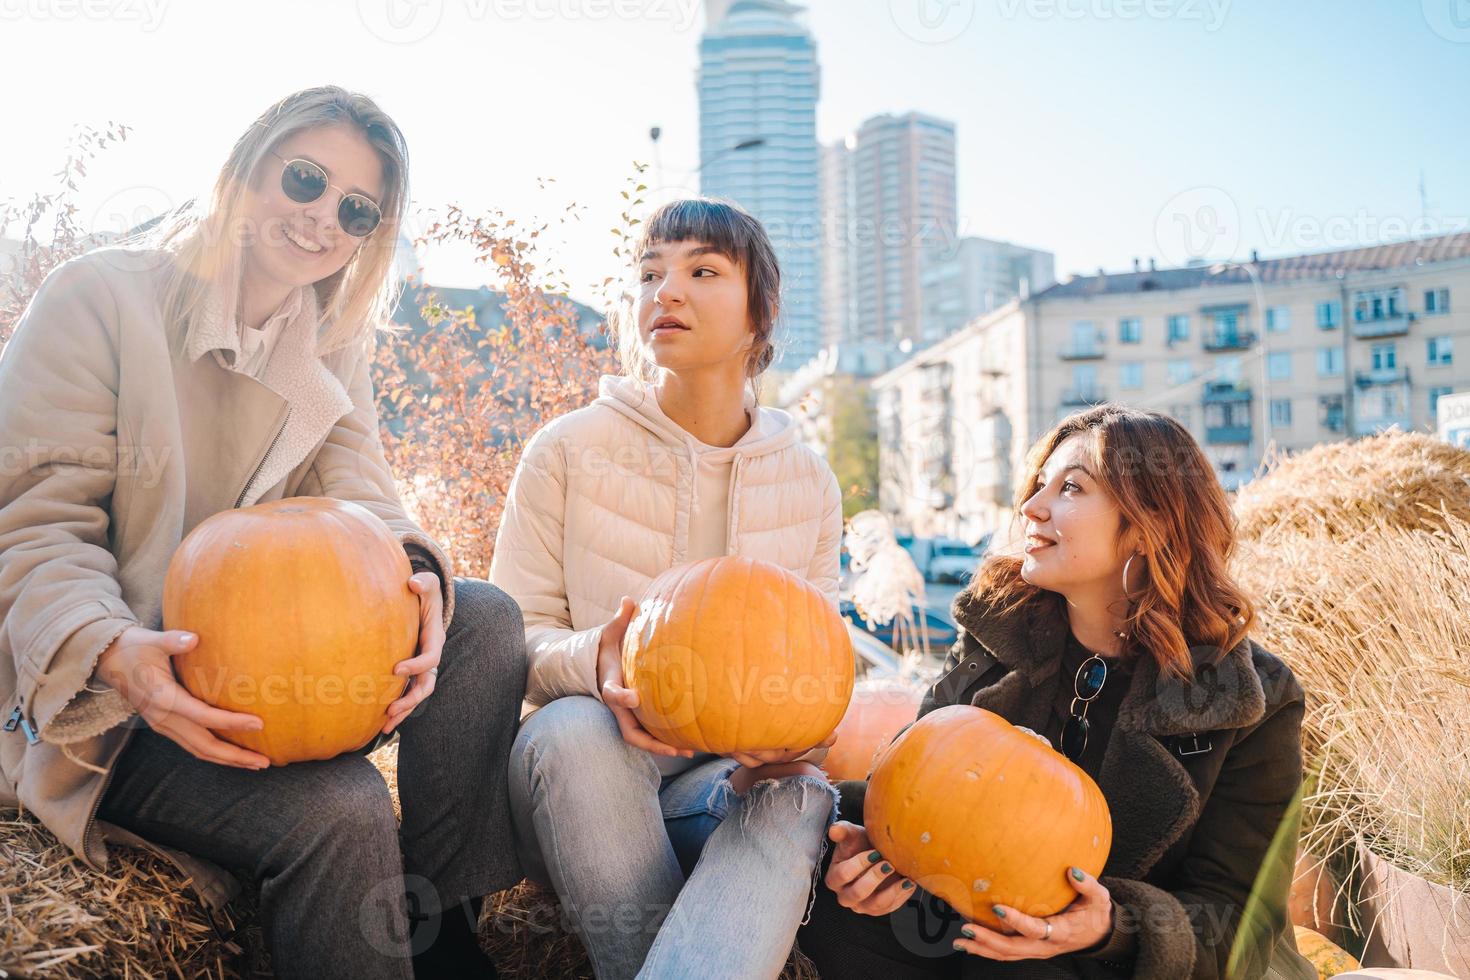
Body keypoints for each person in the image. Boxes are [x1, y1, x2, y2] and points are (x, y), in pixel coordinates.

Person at [0, 86, 525, 979]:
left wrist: (418, 575)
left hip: (281, 679)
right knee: (344, 804)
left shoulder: (328, 345)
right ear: (247, 170)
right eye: (306, 179)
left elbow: (367, 497)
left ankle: (445, 930)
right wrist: (118, 650)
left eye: (355, 208)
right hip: (126, 704)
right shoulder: (99, 300)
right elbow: (35, 524)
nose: (323, 217)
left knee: (483, 616)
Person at [799, 406, 1317, 980]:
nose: (1031, 508)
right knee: (829, 823)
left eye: (1070, 487)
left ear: (1150, 527)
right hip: (968, 932)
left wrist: (1111, 928)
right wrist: (877, 864)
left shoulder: (1249, 699)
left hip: (1119, 968)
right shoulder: (997, 635)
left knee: (1026, 970)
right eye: (1037, 484)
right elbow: (914, 795)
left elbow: (1239, 918)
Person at [490, 197, 845, 979]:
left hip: (712, 789)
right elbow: (510, 634)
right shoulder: (568, 450)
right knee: (580, 733)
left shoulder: (810, 483)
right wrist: (599, 664)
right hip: (575, 774)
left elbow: (818, 669)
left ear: (760, 318)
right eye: (650, 272)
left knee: (802, 796)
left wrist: (786, 748)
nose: (666, 291)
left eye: (701, 271)